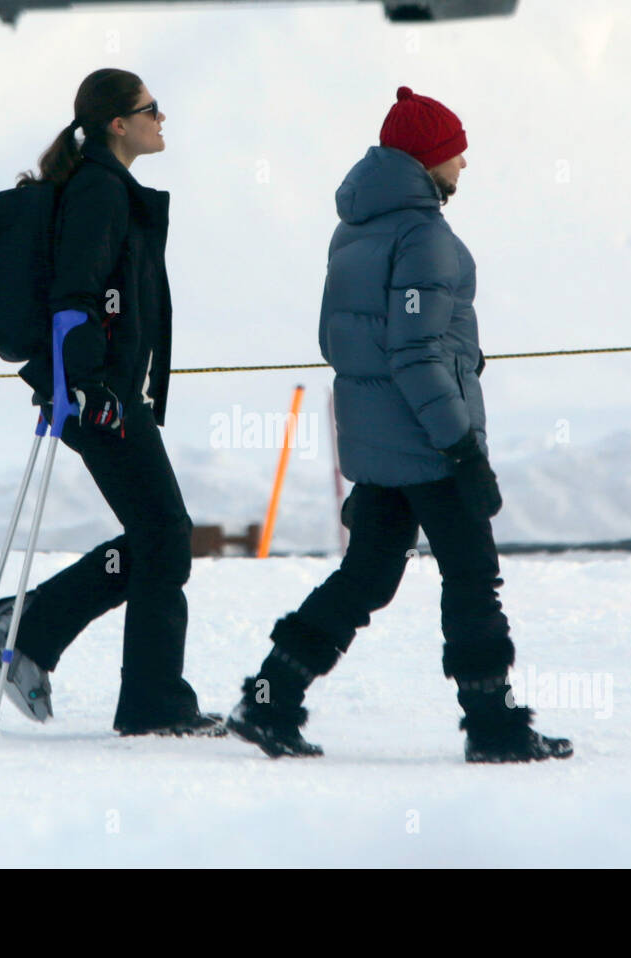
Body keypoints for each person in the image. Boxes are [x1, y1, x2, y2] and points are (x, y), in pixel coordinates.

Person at [226, 88, 572, 763]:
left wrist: (456, 354)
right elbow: (413, 353)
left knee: (367, 577)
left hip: (381, 443)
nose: (465, 164)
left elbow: (348, 340)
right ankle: (494, 729)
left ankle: (269, 699)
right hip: (429, 444)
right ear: (428, 158)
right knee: (472, 576)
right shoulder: (425, 236)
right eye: (455, 151)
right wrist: (461, 447)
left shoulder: (355, 229)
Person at [0, 69, 224, 737]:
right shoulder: (99, 190)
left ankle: (30, 630)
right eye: (151, 109)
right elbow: (74, 295)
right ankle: (148, 701)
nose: (162, 118)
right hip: (100, 395)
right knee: (166, 536)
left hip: (106, 391)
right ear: (118, 123)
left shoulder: (108, 185)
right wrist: (88, 386)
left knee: (157, 537)